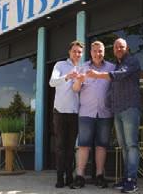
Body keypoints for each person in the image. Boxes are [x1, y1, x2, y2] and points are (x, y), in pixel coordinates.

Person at [86, 38, 141, 193]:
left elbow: (119, 75)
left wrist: (97, 75)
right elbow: (112, 89)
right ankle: (126, 178)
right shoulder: (118, 64)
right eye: (116, 46)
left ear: (127, 48)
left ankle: (132, 180)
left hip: (130, 108)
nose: (118, 48)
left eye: (121, 46)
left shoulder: (132, 61)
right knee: (124, 146)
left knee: (131, 145)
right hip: (117, 111)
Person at [70, 41, 115, 189]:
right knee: (83, 145)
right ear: (90, 52)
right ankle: (80, 176)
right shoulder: (83, 68)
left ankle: (99, 176)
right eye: (95, 51)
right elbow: (75, 89)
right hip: (86, 113)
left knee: (101, 146)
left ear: (104, 52)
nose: (98, 54)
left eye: (100, 51)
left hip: (105, 113)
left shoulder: (111, 68)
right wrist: (79, 81)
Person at [49, 40, 84, 188]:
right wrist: (67, 77)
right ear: (69, 52)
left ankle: (69, 176)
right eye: (74, 51)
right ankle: (59, 177)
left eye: (79, 52)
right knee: (60, 146)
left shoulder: (83, 68)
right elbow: (52, 82)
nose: (77, 54)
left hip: (74, 113)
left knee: (70, 147)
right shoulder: (60, 65)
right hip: (60, 112)